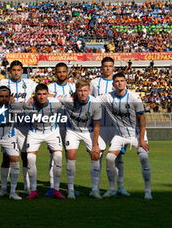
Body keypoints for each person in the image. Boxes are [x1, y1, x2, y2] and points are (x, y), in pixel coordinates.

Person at [98, 73, 152, 199]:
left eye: (122, 80)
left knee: (144, 158)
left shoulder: (134, 97)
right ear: (113, 84)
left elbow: (142, 118)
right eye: (117, 81)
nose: (120, 83)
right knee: (110, 159)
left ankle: (148, 191)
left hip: (136, 134)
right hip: (120, 135)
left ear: (126, 82)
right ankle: (112, 188)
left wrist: (142, 139)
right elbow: (91, 99)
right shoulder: (108, 97)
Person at [56, 81, 105, 199]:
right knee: (71, 156)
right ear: (76, 92)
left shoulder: (95, 104)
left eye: (85, 91)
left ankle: (94, 190)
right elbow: (51, 96)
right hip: (72, 131)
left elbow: (97, 125)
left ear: (89, 91)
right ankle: (71, 190)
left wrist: (95, 145)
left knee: (95, 155)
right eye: (80, 91)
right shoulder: (68, 100)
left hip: (89, 131)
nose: (83, 93)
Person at [0, 60, 37, 196]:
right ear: (9, 71)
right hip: (9, 125)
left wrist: (34, 97)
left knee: (25, 156)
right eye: (13, 70)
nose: (16, 72)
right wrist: (6, 100)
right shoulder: (2, 84)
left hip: (25, 124)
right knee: (6, 157)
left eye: (19, 70)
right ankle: (3, 188)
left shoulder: (30, 83)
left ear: (22, 71)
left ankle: (27, 187)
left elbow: (43, 92)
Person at [90, 57, 130, 196]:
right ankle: (95, 188)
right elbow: (89, 101)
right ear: (101, 68)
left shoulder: (119, 83)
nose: (107, 68)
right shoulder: (94, 83)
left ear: (113, 68)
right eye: (105, 66)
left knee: (118, 158)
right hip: (99, 126)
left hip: (116, 128)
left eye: (110, 66)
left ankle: (120, 187)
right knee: (97, 156)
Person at [24, 84, 65, 200]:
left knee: (58, 157)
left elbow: (66, 98)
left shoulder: (55, 102)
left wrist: (54, 95)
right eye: (39, 94)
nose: (41, 97)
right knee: (30, 159)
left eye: (44, 94)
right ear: (35, 95)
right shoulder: (28, 104)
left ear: (47, 94)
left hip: (52, 132)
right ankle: (33, 190)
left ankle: (56, 190)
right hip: (35, 132)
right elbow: (20, 104)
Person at [46, 62, 75, 196]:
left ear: (67, 72)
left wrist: (57, 98)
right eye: (59, 72)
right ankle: (53, 187)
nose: (61, 74)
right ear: (55, 73)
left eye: (64, 71)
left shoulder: (73, 87)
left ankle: (70, 188)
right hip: (54, 126)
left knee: (70, 157)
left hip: (70, 126)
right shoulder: (50, 87)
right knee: (54, 156)